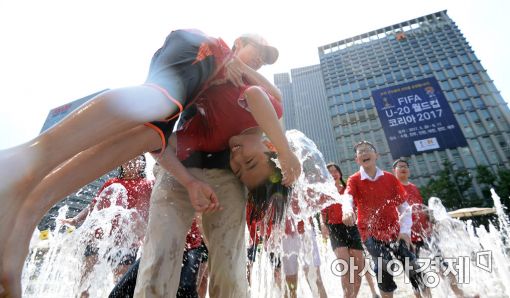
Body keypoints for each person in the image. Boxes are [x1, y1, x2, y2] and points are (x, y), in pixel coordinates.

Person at [0, 31, 296, 297]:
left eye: (241, 168)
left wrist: (192, 181)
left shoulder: (219, 130)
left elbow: (160, 144)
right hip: (200, 52)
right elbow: (268, 96)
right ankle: (23, 167)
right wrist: (286, 152)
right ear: (238, 43)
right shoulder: (244, 86)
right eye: (257, 51)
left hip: (186, 123)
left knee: (148, 134)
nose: (237, 158)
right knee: (157, 105)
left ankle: (30, 207)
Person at [341, 141, 430, 298]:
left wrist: (404, 231)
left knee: (413, 265)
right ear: (357, 160)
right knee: (383, 264)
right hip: (369, 232)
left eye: (368, 150)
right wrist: (347, 210)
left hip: (394, 231)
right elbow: (347, 197)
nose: (364, 153)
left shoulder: (390, 178)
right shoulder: (354, 180)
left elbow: (405, 207)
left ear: (376, 155)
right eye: (360, 152)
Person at [61, 155, 153, 296]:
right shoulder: (111, 183)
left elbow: (152, 211)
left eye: (137, 160)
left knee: (121, 285)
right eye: (129, 159)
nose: (132, 162)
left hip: (127, 243)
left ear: (142, 165)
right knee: (85, 283)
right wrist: (76, 220)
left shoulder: (147, 185)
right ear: (121, 164)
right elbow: (94, 206)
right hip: (98, 238)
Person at [393, 158, 475, 298]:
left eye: (405, 166)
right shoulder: (393, 188)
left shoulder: (413, 187)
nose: (403, 168)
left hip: (425, 234)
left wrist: (431, 218)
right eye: (400, 166)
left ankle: (461, 294)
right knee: (416, 274)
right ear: (394, 171)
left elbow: (420, 207)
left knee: (442, 265)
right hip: (407, 238)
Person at [320, 163, 366, 298]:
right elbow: (322, 212)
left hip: (352, 227)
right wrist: (323, 225)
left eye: (335, 171)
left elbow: (358, 208)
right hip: (335, 228)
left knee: (358, 269)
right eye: (330, 172)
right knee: (345, 268)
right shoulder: (325, 192)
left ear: (340, 173)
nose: (333, 174)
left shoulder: (348, 190)